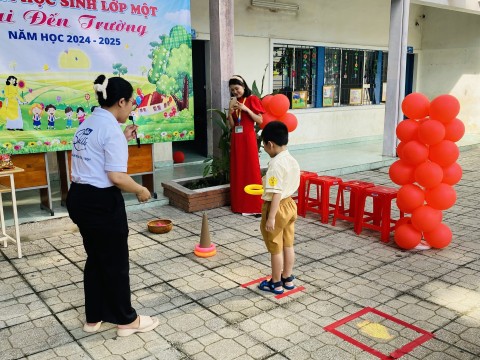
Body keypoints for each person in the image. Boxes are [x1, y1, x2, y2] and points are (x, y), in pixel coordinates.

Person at [66, 74, 159, 337]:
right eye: (131, 103)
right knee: (116, 262)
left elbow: (97, 157)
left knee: (96, 258)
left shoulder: (87, 124)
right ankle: (126, 320)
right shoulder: (110, 131)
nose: (132, 108)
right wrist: (141, 189)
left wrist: (123, 138)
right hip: (101, 202)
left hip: (79, 198)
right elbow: (116, 177)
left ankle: (94, 317)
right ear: (121, 101)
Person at [257, 121, 300, 294]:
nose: (265, 150)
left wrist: (271, 217)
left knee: (276, 248)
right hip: (290, 204)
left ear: (270, 144)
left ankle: (275, 283)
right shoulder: (291, 159)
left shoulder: (275, 164)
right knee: (288, 244)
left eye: (264, 147)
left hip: (278, 207)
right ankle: (287, 279)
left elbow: (275, 193)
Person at [227, 75, 264, 215]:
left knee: (251, 169)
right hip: (236, 138)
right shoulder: (234, 102)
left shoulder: (252, 99)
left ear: (243, 86)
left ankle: (254, 205)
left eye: (237, 88)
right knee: (238, 169)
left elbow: (260, 120)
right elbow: (232, 125)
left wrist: (246, 109)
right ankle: (239, 205)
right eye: (232, 90)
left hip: (248, 138)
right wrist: (230, 113)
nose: (235, 92)